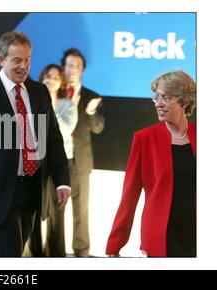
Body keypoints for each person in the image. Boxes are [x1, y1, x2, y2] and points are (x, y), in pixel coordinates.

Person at [0, 31, 71, 257]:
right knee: (9, 253)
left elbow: (54, 140)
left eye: (27, 59)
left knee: (15, 252)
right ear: (1, 60)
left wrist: (62, 182)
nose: (24, 66)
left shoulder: (39, 91)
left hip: (32, 188)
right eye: (17, 60)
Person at [106, 70, 196, 257]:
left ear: (185, 101)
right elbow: (129, 197)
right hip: (161, 235)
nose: (158, 104)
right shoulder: (144, 139)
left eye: (166, 98)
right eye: (156, 97)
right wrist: (114, 246)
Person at [27, 64, 78, 257]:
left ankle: (56, 256)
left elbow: (65, 130)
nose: (51, 80)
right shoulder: (32, 101)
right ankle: (36, 254)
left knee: (57, 213)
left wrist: (49, 107)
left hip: (59, 164)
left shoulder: (68, 104)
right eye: (48, 76)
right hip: (37, 162)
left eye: (56, 77)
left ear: (62, 82)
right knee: (34, 212)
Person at [62, 48, 105, 257]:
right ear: (64, 67)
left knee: (81, 210)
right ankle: (54, 251)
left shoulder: (92, 97)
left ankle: (82, 254)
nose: (72, 70)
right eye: (69, 65)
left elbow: (98, 128)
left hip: (80, 161)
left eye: (76, 66)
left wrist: (91, 112)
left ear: (82, 70)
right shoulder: (53, 92)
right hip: (57, 159)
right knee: (54, 210)